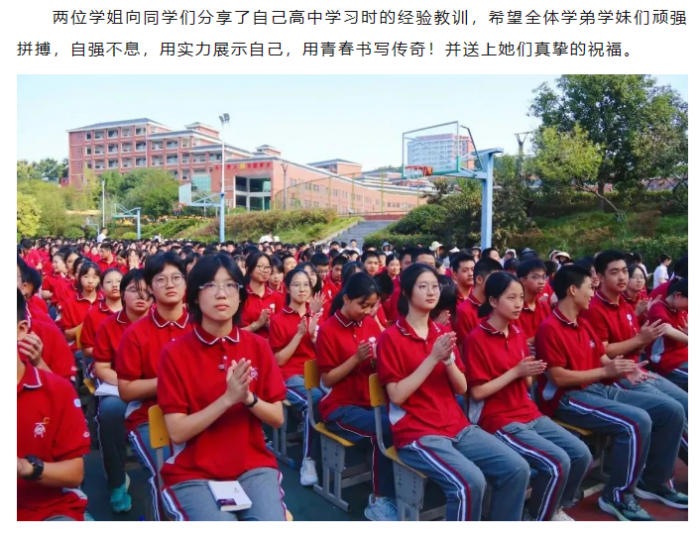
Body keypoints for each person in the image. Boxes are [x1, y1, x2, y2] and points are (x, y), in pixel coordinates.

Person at [377, 264, 530, 521]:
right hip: (417, 431)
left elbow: (462, 387)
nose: (431, 292)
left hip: (455, 424)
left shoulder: (443, 333)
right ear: (406, 292)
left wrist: (448, 361)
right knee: (470, 483)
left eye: (435, 286)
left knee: (517, 468)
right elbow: (397, 396)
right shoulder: (391, 337)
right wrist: (433, 357)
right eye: (423, 286)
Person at [535, 265, 687, 520]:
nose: (592, 293)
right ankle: (617, 495)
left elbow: (601, 357)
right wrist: (605, 372)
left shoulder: (582, 323)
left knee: (671, 410)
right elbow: (558, 377)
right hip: (569, 398)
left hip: (596, 389)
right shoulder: (550, 328)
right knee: (636, 422)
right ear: (572, 290)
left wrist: (625, 370)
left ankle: (655, 482)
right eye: (589, 287)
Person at [157, 253, 288, 521]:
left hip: (252, 466)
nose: (222, 294)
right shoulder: (175, 353)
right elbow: (177, 432)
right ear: (195, 296)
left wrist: (249, 399)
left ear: (240, 295)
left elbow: (277, 418)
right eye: (211, 285)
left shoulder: (257, 347)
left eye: (230, 285)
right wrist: (227, 399)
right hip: (195, 472)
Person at [466, 272, 591, 521]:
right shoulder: (476, 339)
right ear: (493, 301)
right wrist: (516, 371)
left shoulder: (516, 332)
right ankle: (539, 518)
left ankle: (549, 509)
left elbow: (527, 383)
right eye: (511, 298)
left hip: (528, 411)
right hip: (498, 418)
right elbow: (478, 393)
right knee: (557, 462)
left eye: (520, 298)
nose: (518, 304)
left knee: (581, 454)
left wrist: (529, 371)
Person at [581, 250, 688, 465]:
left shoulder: (626, 305)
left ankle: (660, 471)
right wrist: (641, 339)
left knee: (686, 401)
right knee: (671, 410)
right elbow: (602, 352)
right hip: (614, 375)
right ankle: (657, 476)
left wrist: (643, 342)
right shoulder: (594, 309)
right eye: (615, 272)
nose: (623, 277)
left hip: (637, 367)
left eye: (624, 271)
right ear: (600, 277)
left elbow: (635, 345)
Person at [115, 252, 192, 520]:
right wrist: (170, 380)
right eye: (161, 279)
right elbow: (126, 390)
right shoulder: (135, 334)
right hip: (149, 417)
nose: (170, 284)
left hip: (199, 414)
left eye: (176, 278)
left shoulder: (202, 326)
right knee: (168, 472)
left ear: (186, 283)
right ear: (150, 287)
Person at [316, 273, 398, 520]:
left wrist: (376, 361)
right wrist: (356, 359)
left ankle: (397, 486)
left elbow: (377, 362)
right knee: (383, 430)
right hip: (340, 407)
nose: (367, 311)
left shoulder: (370, 324)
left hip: (367, 402)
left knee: (402, 420)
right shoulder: (328, 330)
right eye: (362, 305)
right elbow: (327, 379)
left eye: (372, 306)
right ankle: (379, 500)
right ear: (346, 299)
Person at [17, 290, 91, 521]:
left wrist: (26, 468)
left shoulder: (56, 391)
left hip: (46, 509)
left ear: (20, 330)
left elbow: (74, 473)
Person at [93, 270, 154, 513]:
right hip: (120, 388)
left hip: (156, 387)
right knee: (109, 412)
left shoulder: (160, 322)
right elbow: (101, 367)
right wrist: (128, 384)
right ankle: (117, 480)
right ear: (122, 293)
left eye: (147, 292)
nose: (141, 297)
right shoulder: (109, 325)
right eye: (134, 291)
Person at [269, 268, 324, 487]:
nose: (302, 289)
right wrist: (300, 334)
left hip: (315, 374)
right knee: (314, 400)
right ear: (287, 288)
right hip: (289, 376)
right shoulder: (278, 320)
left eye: (306, 285)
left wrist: (314, 334)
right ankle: (309, 460)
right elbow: (279, 360)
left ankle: (325, 451)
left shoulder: (315, 315)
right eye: (296, 284)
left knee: (334, 398)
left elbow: (323, 353)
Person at [646, 278, 688, 391]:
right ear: (678, 295)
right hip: (667, 362)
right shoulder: (658, 308)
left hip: (683, 357)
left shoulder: (679, 309)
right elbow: (667, 330)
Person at [57, 261, 103, 352]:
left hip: (103, 348)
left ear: (99, 279)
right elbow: (67, 334)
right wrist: (86, 325)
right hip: (79, 348)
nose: (90, 281)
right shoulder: (70, 303)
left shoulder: (105, 300)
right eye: (86, 277)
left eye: (94, 277)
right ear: (79, 278)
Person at [80, 268, 123, 365]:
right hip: (103, 363)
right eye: (109, 282)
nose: (114, 285)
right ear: (102, 287)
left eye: (119, 281)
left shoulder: (132, 311)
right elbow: (87, 349)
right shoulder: (93, 313)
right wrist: (112, 353)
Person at [454, 258, 502, 344]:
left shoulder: (499, 305)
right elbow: (464, 346)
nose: (499, 285)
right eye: (494, 280)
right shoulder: (464, 311)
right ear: (479, 279)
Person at [240, 252, 284, 340]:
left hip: (269, 346)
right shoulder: (240, 296)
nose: (265, 270)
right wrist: (257, 324)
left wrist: (269, 325)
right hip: (246, 344)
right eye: (260, 267)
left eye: (268, 267)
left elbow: (281, 332)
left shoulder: (276, 296)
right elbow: (233, 333)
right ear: (248, 269)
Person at [516, 259, 552, 344]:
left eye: (543, 277)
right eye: (535, 277)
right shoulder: (515, 308)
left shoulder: (544, 306)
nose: (541, 282)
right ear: (523, 280)